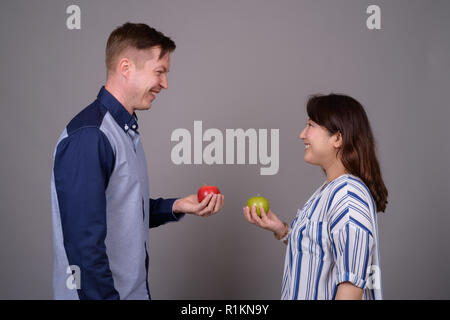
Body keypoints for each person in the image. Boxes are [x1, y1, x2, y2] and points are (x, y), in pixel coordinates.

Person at [50, 22, 224, 300]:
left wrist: (177, 206)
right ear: (126, 67)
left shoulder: (124, 132)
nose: (165, 84)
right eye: (160, 72)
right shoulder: (90, 137)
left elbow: (122, 211)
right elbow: (84, 248)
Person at [243, 94, 388, 300]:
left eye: (310, 125)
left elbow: (351, 287)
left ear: (338, 138)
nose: (302, 134)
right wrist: (282, 230)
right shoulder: (329, 191)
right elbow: (320, 252)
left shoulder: (347, 194)